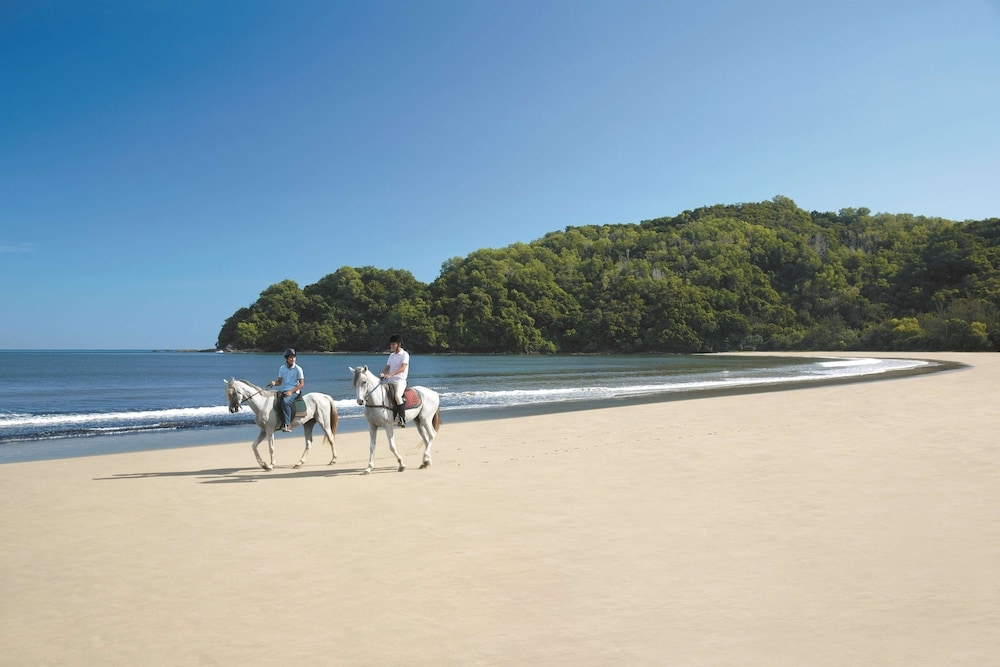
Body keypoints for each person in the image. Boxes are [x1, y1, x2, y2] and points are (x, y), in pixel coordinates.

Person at [267, 348, 304, 432]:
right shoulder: (282, 368)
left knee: (285, 402)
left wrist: (291, 391)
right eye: (291, 357)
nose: (293, 359)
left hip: (294, 391)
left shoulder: (298, 369)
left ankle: (287, 425)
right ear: (286, 359)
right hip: (285, 390)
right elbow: (279, 382)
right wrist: (274, 383)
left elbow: (302, 384)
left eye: (294, 357)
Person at [380, 334, 409, 427]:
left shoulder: (405, 354)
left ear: (399, 344)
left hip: (400, 381)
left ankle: (402, 418)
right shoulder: (391, 355)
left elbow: (403, 368)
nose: (391, 346)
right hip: (390, 381)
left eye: (393, 344)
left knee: (397, 396)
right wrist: (383, 372)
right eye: (391, 344)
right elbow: (388, 367)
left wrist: (391, 374)